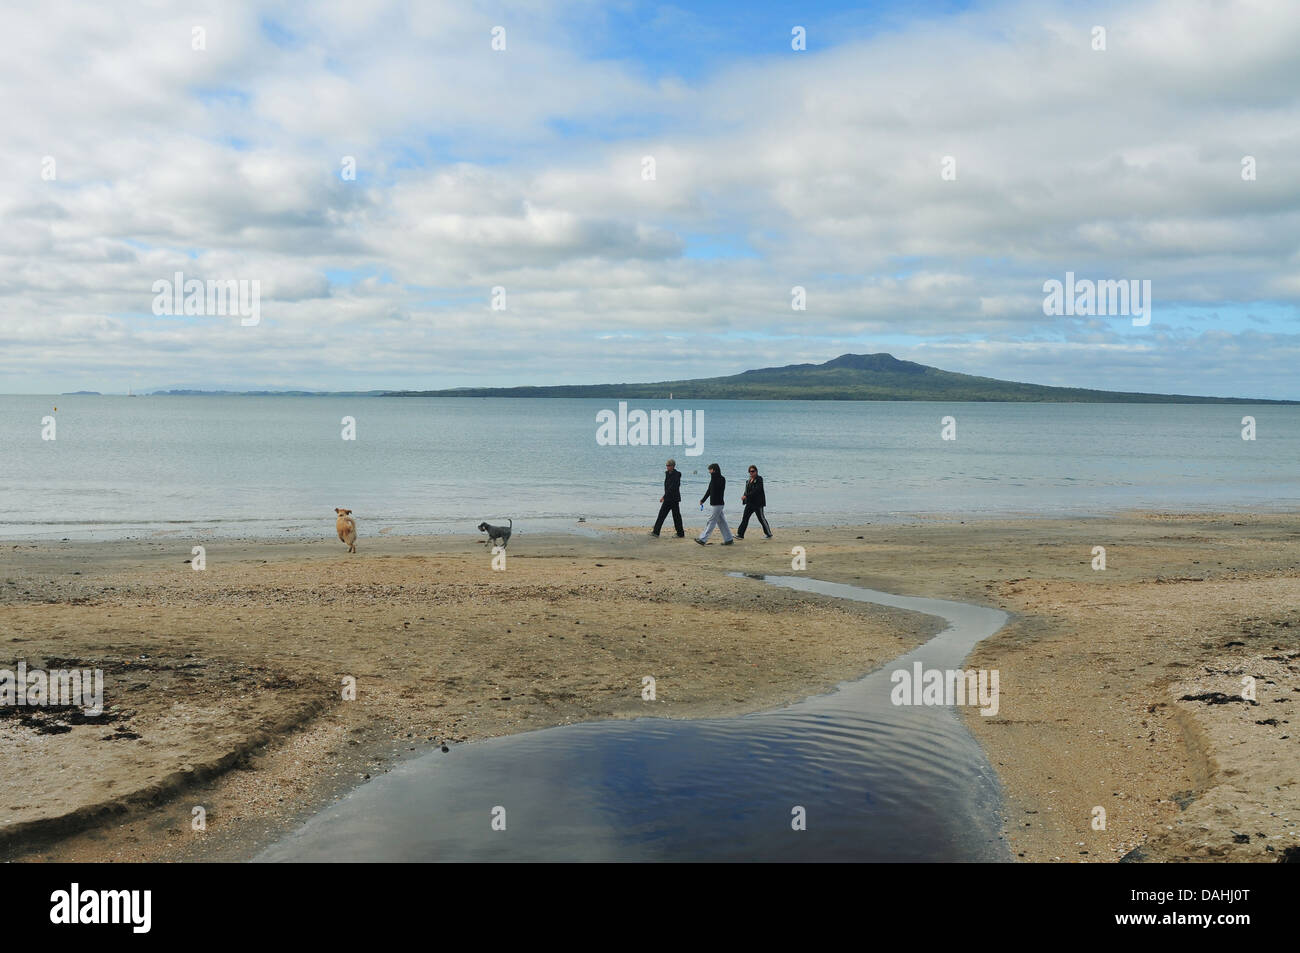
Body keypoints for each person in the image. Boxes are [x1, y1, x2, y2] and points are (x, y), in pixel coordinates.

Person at [695, 462, 733, 545]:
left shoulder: (721, 479)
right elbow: (709, 491)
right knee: (721, 522)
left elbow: (718, 489)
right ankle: (729, 539)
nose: (709, 471)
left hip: (718, 503)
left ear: (714, 470)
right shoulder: (713, 479)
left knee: (711, 521)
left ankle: (703, 539)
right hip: (715, 504)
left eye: (710, 470)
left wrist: (714, 476)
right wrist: (703, 500)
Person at [650, 458, 684, 537]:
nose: (667, 467)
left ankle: (680, 533)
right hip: (668, 498)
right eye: (666, 465)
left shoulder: (677, 474)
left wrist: (664, 497)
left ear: (673, 466)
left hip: (673, 499)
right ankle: (656, 532)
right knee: (662, 515)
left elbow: (673, 487)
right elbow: (668, 486)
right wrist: (665, 496)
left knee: (676, 517)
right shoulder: (667, 473)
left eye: (669, 465)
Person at [737, 465, 772, 539]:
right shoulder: (748, 481)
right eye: (750, 471)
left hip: (758, 503)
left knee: (761, 519)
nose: (751, 473)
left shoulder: (759, 479)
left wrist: (747, 496)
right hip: (750, 503)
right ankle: (740, 535)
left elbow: (756, 490)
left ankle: (768, 534)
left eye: (752, 471)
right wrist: (744, 497)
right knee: (745, 518)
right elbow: (746, 491)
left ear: (756, 471)